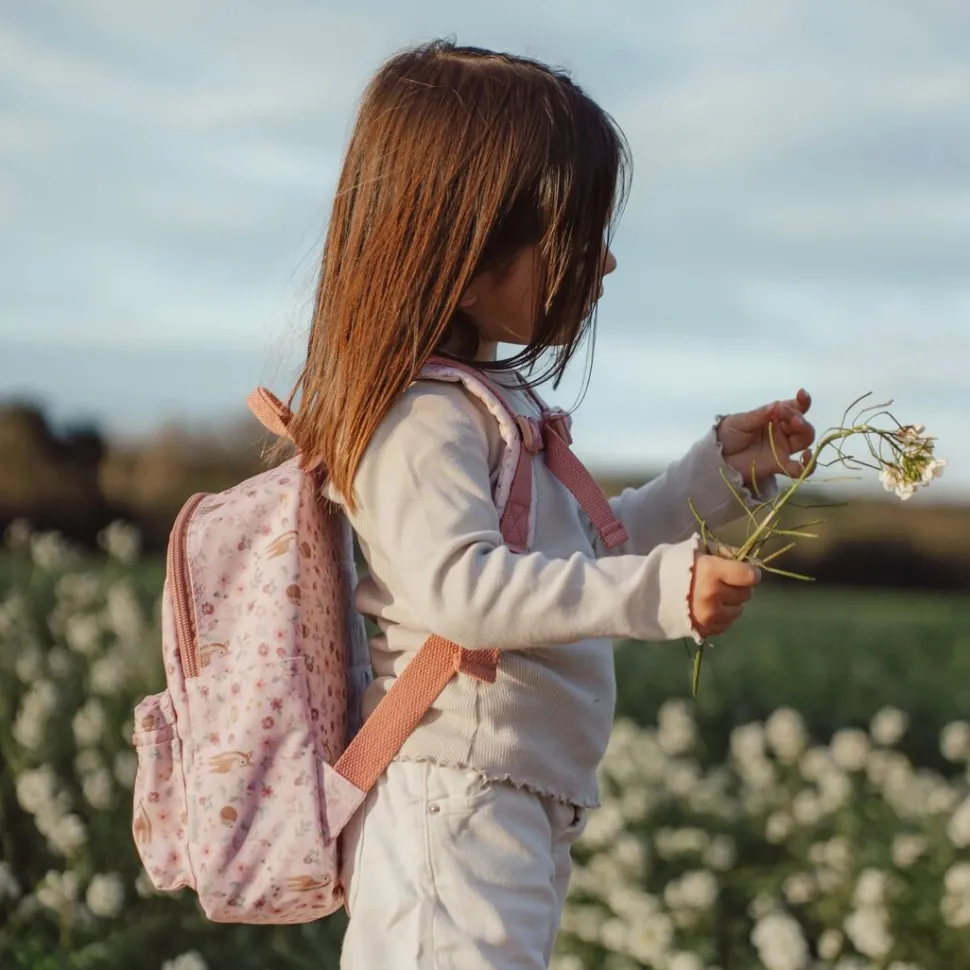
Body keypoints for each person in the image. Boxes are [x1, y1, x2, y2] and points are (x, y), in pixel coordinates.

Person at [285, 39, 815, 970]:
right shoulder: (418, 418)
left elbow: (575, 560)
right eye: (575, 235)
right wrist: (660, 593)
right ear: (466, 251)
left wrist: (712, 478)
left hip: (502, 793)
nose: (602, 263)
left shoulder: (485, 404)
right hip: (452, 796)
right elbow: (466, 592)